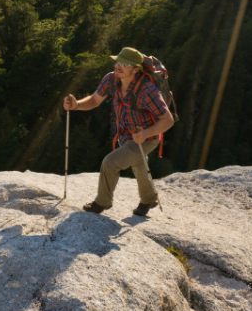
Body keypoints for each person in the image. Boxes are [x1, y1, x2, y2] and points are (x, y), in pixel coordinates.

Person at [63, 46, 174, 216]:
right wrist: (76, 105)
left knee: (110, 163)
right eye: (118, 62)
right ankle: (149, 199)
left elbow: (168, 120)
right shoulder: (111, 80)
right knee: (139, 164)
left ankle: (102, 203)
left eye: (125, 64)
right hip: (125, 135)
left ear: (135, 69)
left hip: (147, 138)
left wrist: (144, 134)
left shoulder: (147, 90)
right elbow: (94, 100)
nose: (118, 66)